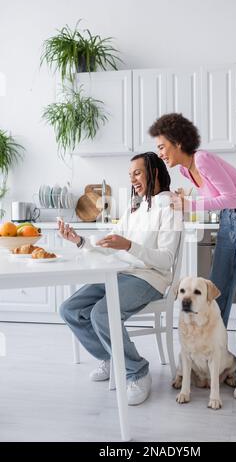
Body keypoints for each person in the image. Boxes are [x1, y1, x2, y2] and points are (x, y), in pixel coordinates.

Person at [149, 113, 236, 400]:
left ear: (178, 143)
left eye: (163, 146)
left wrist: (188, 203)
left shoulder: (202, 159)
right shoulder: (185, 171)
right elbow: (219, 201)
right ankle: (214, 362)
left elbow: (233, 198)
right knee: (217, 292)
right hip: (228, 221)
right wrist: (182, 202)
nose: (161, 152)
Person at [58, 152, 182, 406]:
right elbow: (111, 243)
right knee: (70, 309)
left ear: (154, 172)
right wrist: (80, 241)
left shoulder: (170, 206)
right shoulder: (135, 207)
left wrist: (129, 246)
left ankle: (137, 372)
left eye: (137, 173)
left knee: (101, 314)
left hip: (150, 278)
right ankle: (109, 356)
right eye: (130, 175)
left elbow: (166, 260)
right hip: (122, 273)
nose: (132, 179)